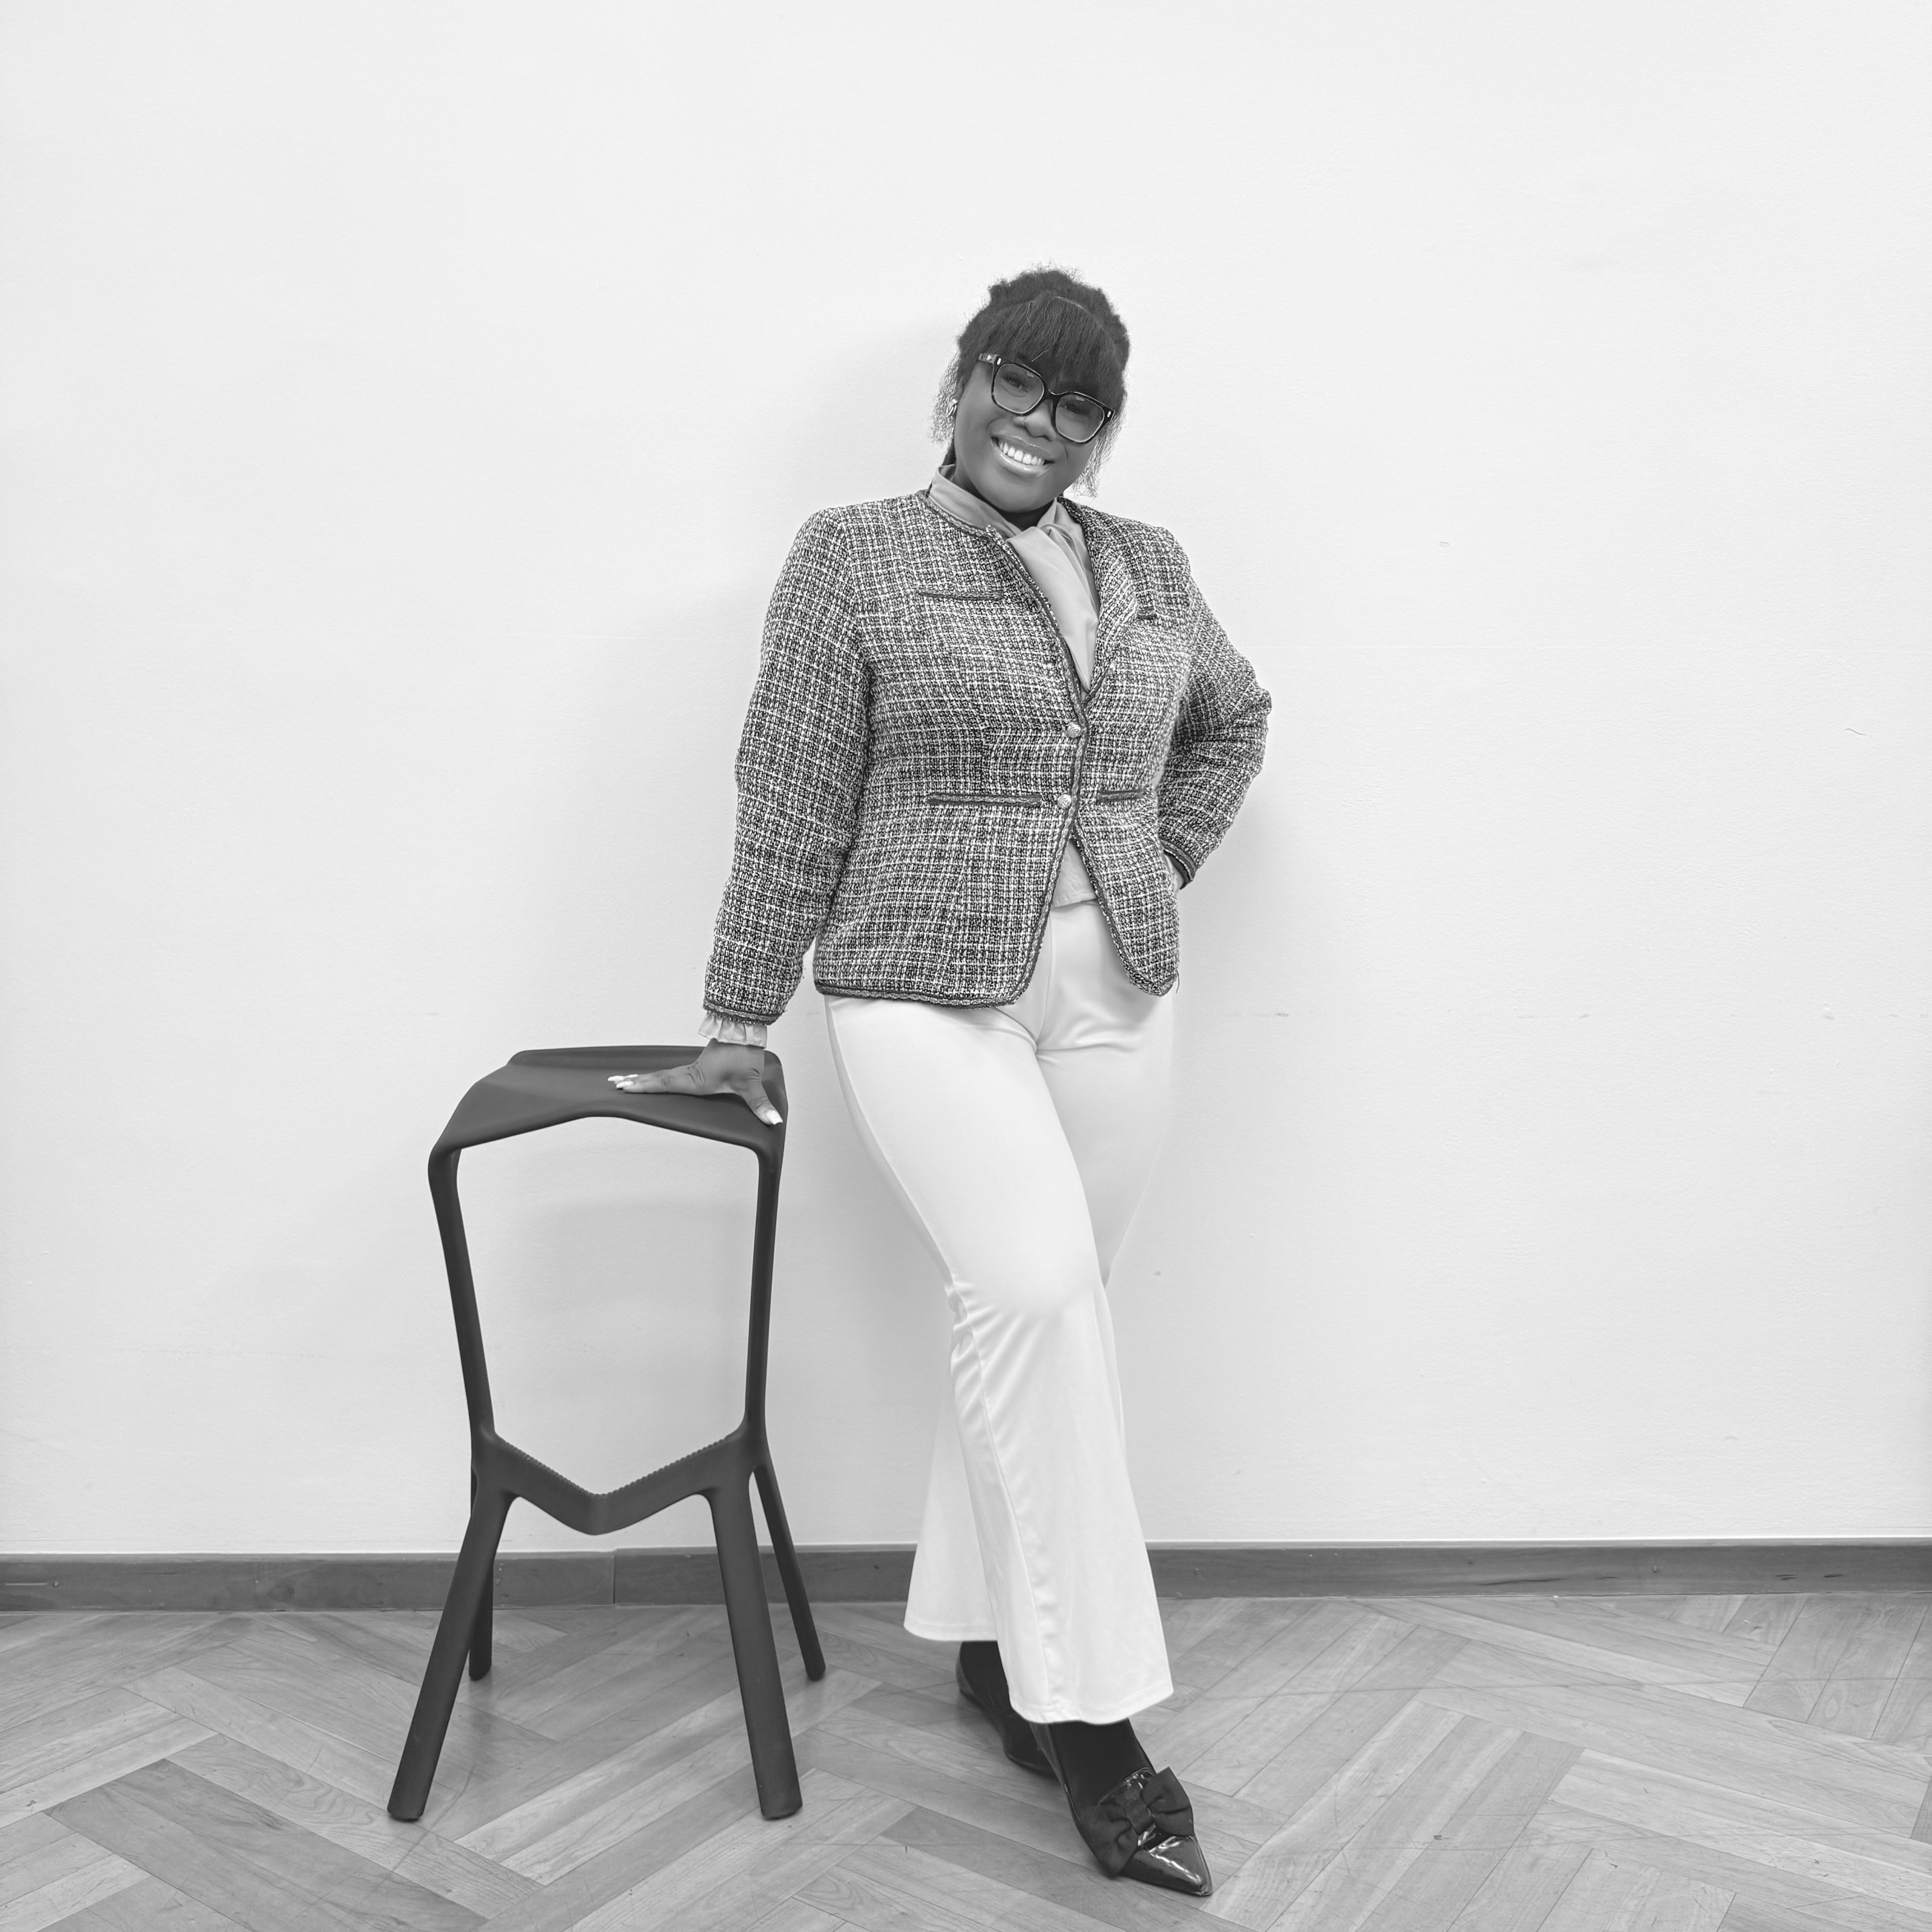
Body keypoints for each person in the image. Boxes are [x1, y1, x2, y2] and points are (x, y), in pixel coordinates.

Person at [612, 267, 1269, 1896]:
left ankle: (991, 1649)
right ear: (962, 386)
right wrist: (742, 1011)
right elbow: (791, 784)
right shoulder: (854, 556)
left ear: (1104, 432)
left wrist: (1158, 857)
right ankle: (1096, 1725)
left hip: (1116, 994)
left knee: (1050, 1324)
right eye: (1014, 385)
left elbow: (1234, 719)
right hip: (919, 982)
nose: (1039, 424)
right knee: (1032, 1296)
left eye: (1078, 406)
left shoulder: (1148, 565)